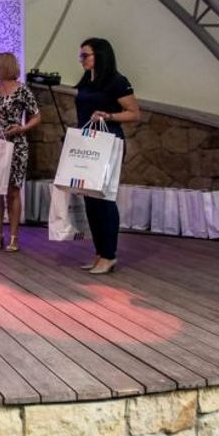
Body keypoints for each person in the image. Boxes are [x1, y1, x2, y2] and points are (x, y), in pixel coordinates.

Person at [74, 37, 140, 274]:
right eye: (80, 55)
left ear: (99, 56)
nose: (81, 60)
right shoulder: (86, 81)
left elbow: (134, 113)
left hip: (108, 142)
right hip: (87, 143)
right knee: (90, 199)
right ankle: (99, 252)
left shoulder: (117, 81)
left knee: (104, 198)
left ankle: (109, 254)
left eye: (85, 55)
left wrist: (109, 116)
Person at [0, 52, 41, 252]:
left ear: (4, 66)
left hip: (16, 145)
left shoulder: (23, 90)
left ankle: (14, 237)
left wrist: (22, 128)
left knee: (13, 191)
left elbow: (36, 116)